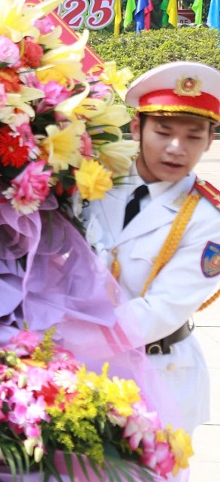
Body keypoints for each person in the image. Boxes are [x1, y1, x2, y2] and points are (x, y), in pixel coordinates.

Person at [85, 61, 220, 435]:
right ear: (136, 128)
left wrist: (61, 335)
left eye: (194, 137)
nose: (177, 149)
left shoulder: (208, 218)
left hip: (160, 377)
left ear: (210, 141)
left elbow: (161, 310)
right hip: (77, 371)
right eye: (162, 131)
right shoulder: (94, 182)